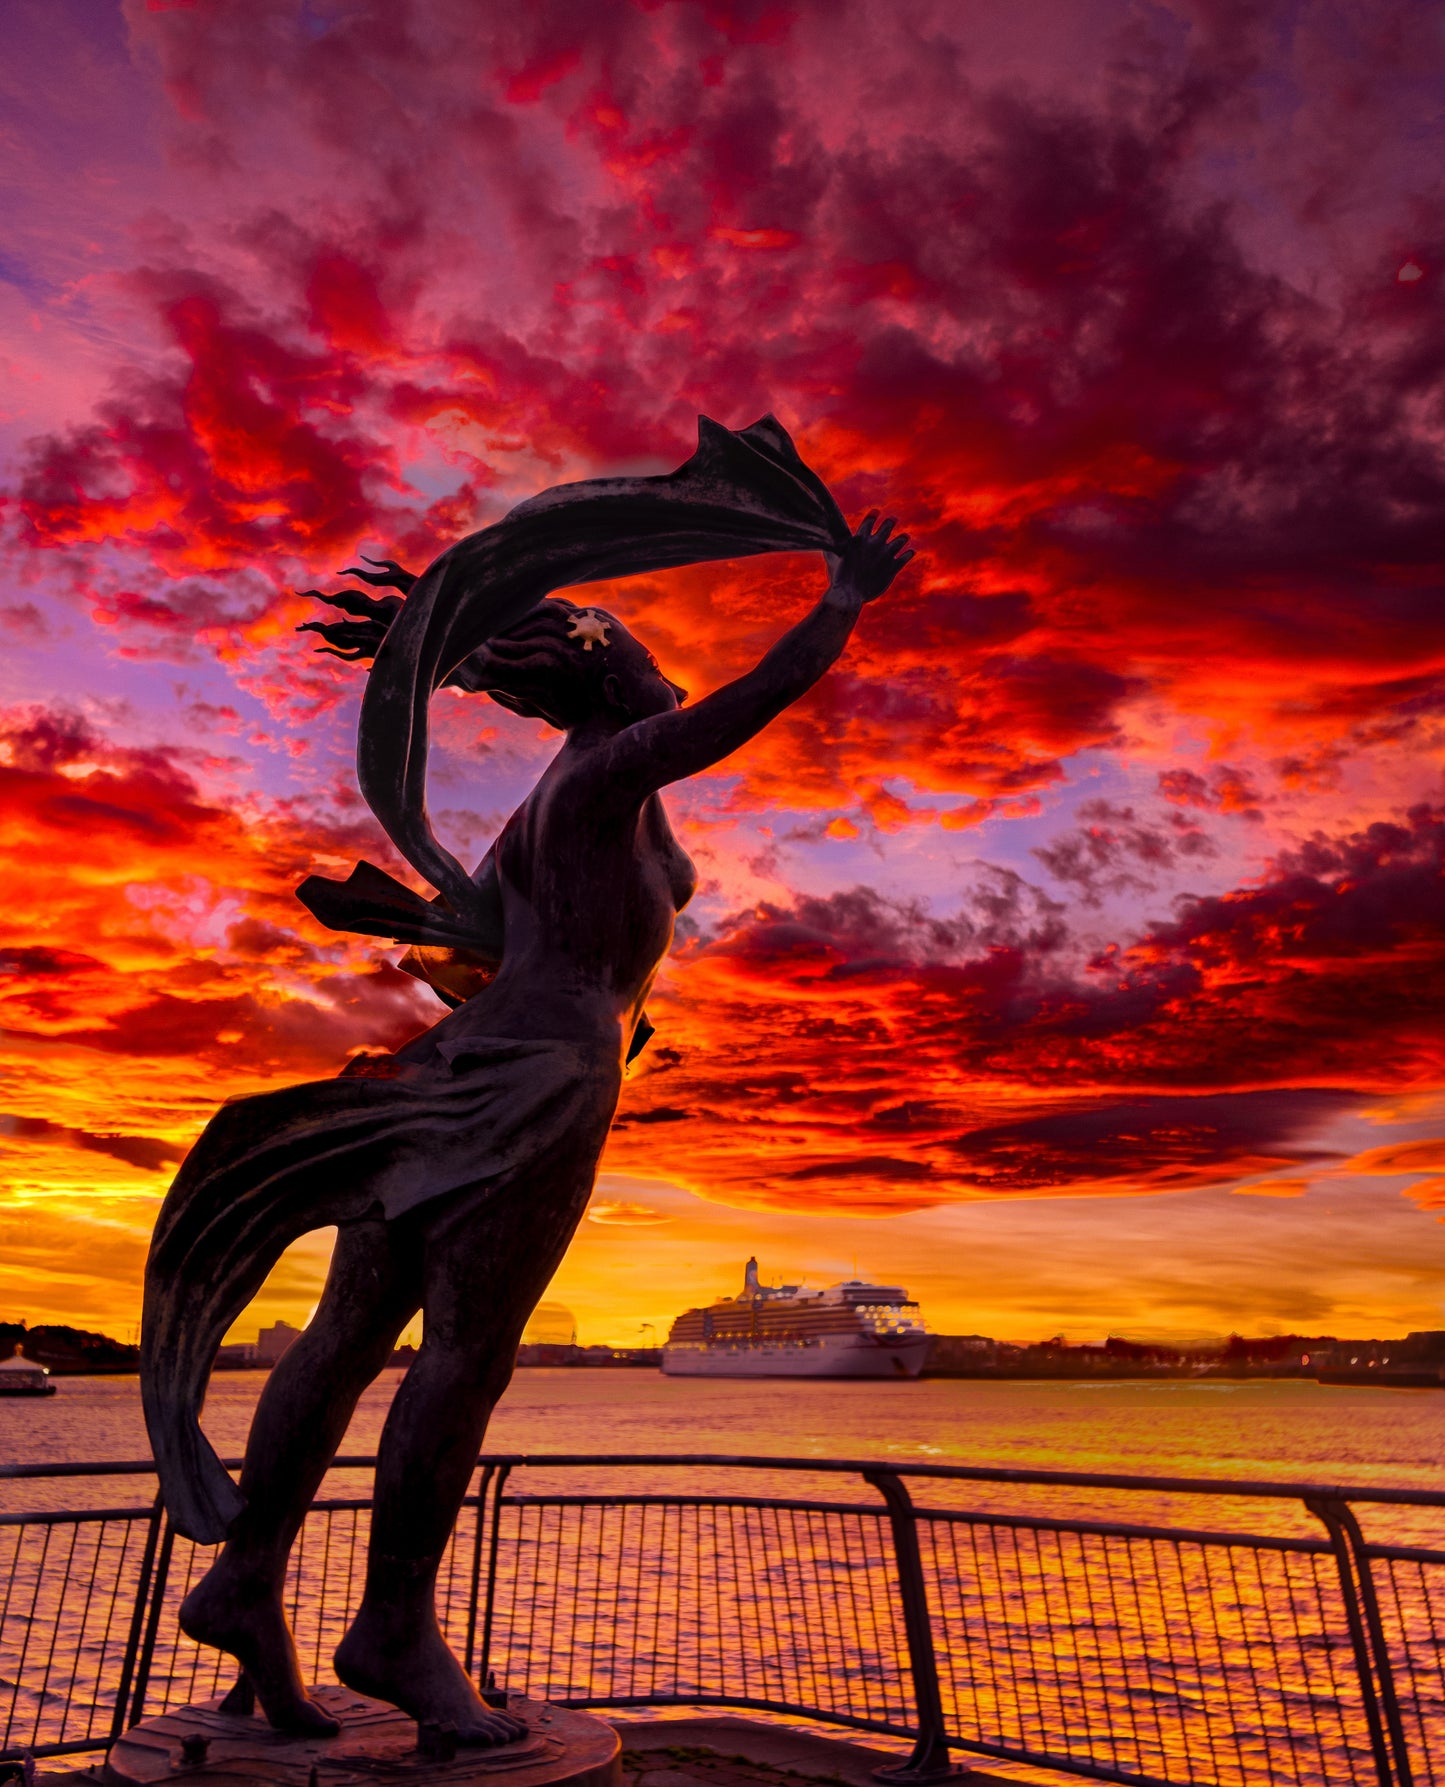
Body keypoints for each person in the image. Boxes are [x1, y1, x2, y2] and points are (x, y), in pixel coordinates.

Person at [140, 419, 911, 1744]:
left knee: (348, 1334)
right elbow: (741, 712)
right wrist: (836, 609)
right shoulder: (607, 769)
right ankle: (389, 1631)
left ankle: (247, 1573)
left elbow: (479, 941)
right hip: (542, 1077)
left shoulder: (550, 815)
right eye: (638, 642)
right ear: (618, 677)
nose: (664, 661)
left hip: (465, 1060)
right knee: (463, 1356)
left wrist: (396, 914)